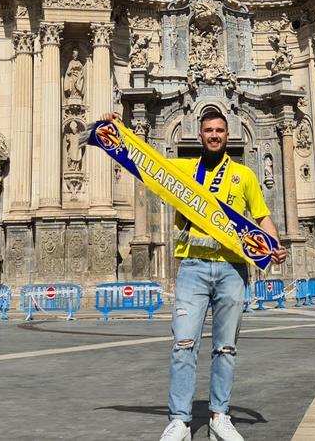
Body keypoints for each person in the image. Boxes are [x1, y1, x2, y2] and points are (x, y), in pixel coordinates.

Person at [104, 109, 287, 441]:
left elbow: (261, 216)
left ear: (227, 136)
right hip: (192, 268)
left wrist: (274, 244)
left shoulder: (244, 175)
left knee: (226, 347)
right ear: (199, 134)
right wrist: (118, 131)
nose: (214, 135)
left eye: (219, 130)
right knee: (183, 343)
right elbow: (144, 162)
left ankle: (219, 416)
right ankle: (179, 421)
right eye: (208, 130)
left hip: (233, 269)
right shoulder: (183, 171)